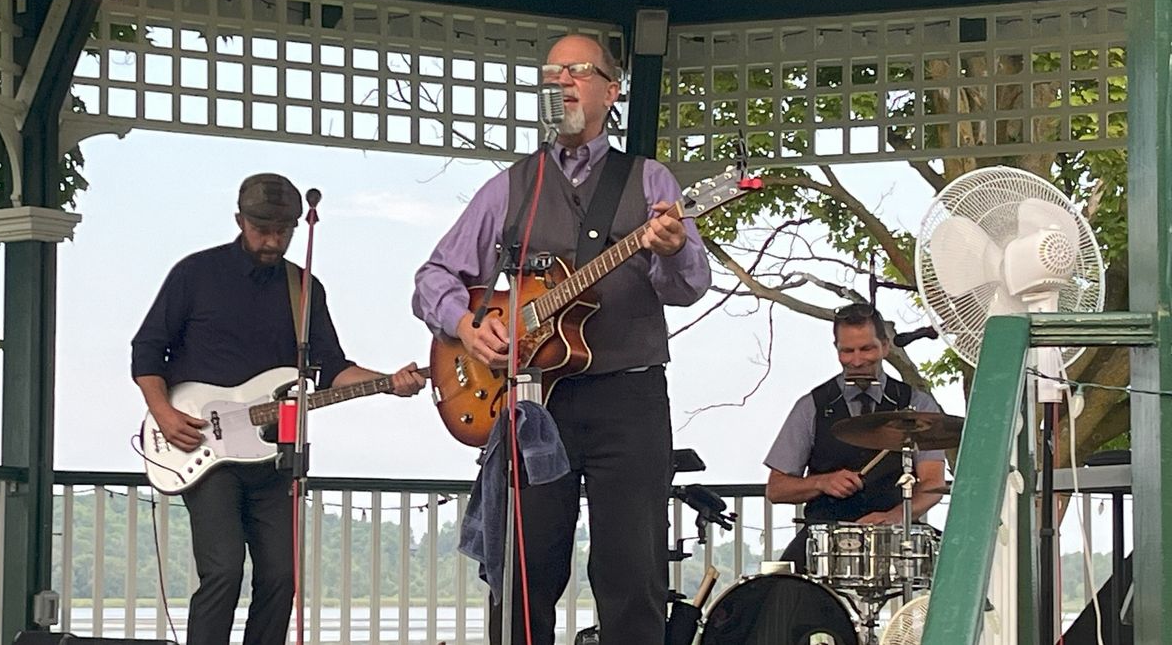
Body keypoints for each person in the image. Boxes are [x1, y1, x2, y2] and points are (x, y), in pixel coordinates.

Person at [412, 34, 710, 645]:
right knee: (523, 575)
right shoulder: (512, 186)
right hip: (534, 401)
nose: (561, 81)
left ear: (611, 90)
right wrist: (469, 326)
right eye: (551, 72)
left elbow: (689, 286)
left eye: (576, 70)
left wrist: (674, 249)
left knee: (632, 573)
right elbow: (434, 278)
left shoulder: (651, 179)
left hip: (629, 399)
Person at [131, 173, 425, 645]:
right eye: (261, 229)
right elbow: (146, 352)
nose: (272, 241)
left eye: (283, 231)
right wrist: (163, 413)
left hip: (275, 453)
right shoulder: (195, 274)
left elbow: (330, 367)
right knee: (224, 570)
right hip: (204, 451)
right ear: (239, 221)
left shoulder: (304, 288)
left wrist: (388, 383)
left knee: (281, 578)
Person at [763, 303, 947, 571]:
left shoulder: (916, 403)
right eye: (847, 351)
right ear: (836, 349)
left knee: (954, 574)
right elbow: (776, 489)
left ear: (885, 347)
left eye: (867, 349)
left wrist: (896, 517)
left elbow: (932, 484)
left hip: (895, 533)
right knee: (778, 594)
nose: (857, 360)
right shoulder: (812, 405)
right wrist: (822, 482)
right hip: (825, 536)